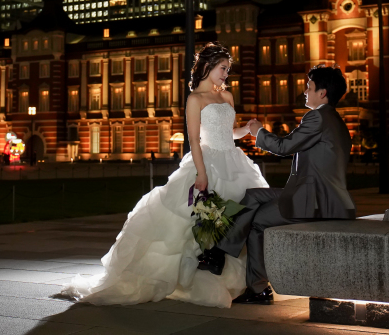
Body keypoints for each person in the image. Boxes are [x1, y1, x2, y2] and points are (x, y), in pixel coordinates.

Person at [61, 42, 268, 308]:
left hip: (234, 161)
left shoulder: (226, 97)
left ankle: (243, 280)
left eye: (227, 69)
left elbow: (230, 133)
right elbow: (194, 139)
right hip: (207, 162)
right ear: (207, 67)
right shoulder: (195, 100)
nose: (226, 74)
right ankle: (197, 276)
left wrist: (247, 129)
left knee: (239, 219)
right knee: (202, 225)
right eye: (222, 68)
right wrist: (202, 175)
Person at [197, 65, 356, 305]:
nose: (305, 91)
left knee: (256, 221)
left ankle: (256, 287)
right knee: (252, 196)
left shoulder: (318, 117)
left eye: (309, 87)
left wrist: (259, 131)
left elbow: (285, 147)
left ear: (322, 93)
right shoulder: (335, 121)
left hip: (316, 203)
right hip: (318, 196)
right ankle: (218, 254)